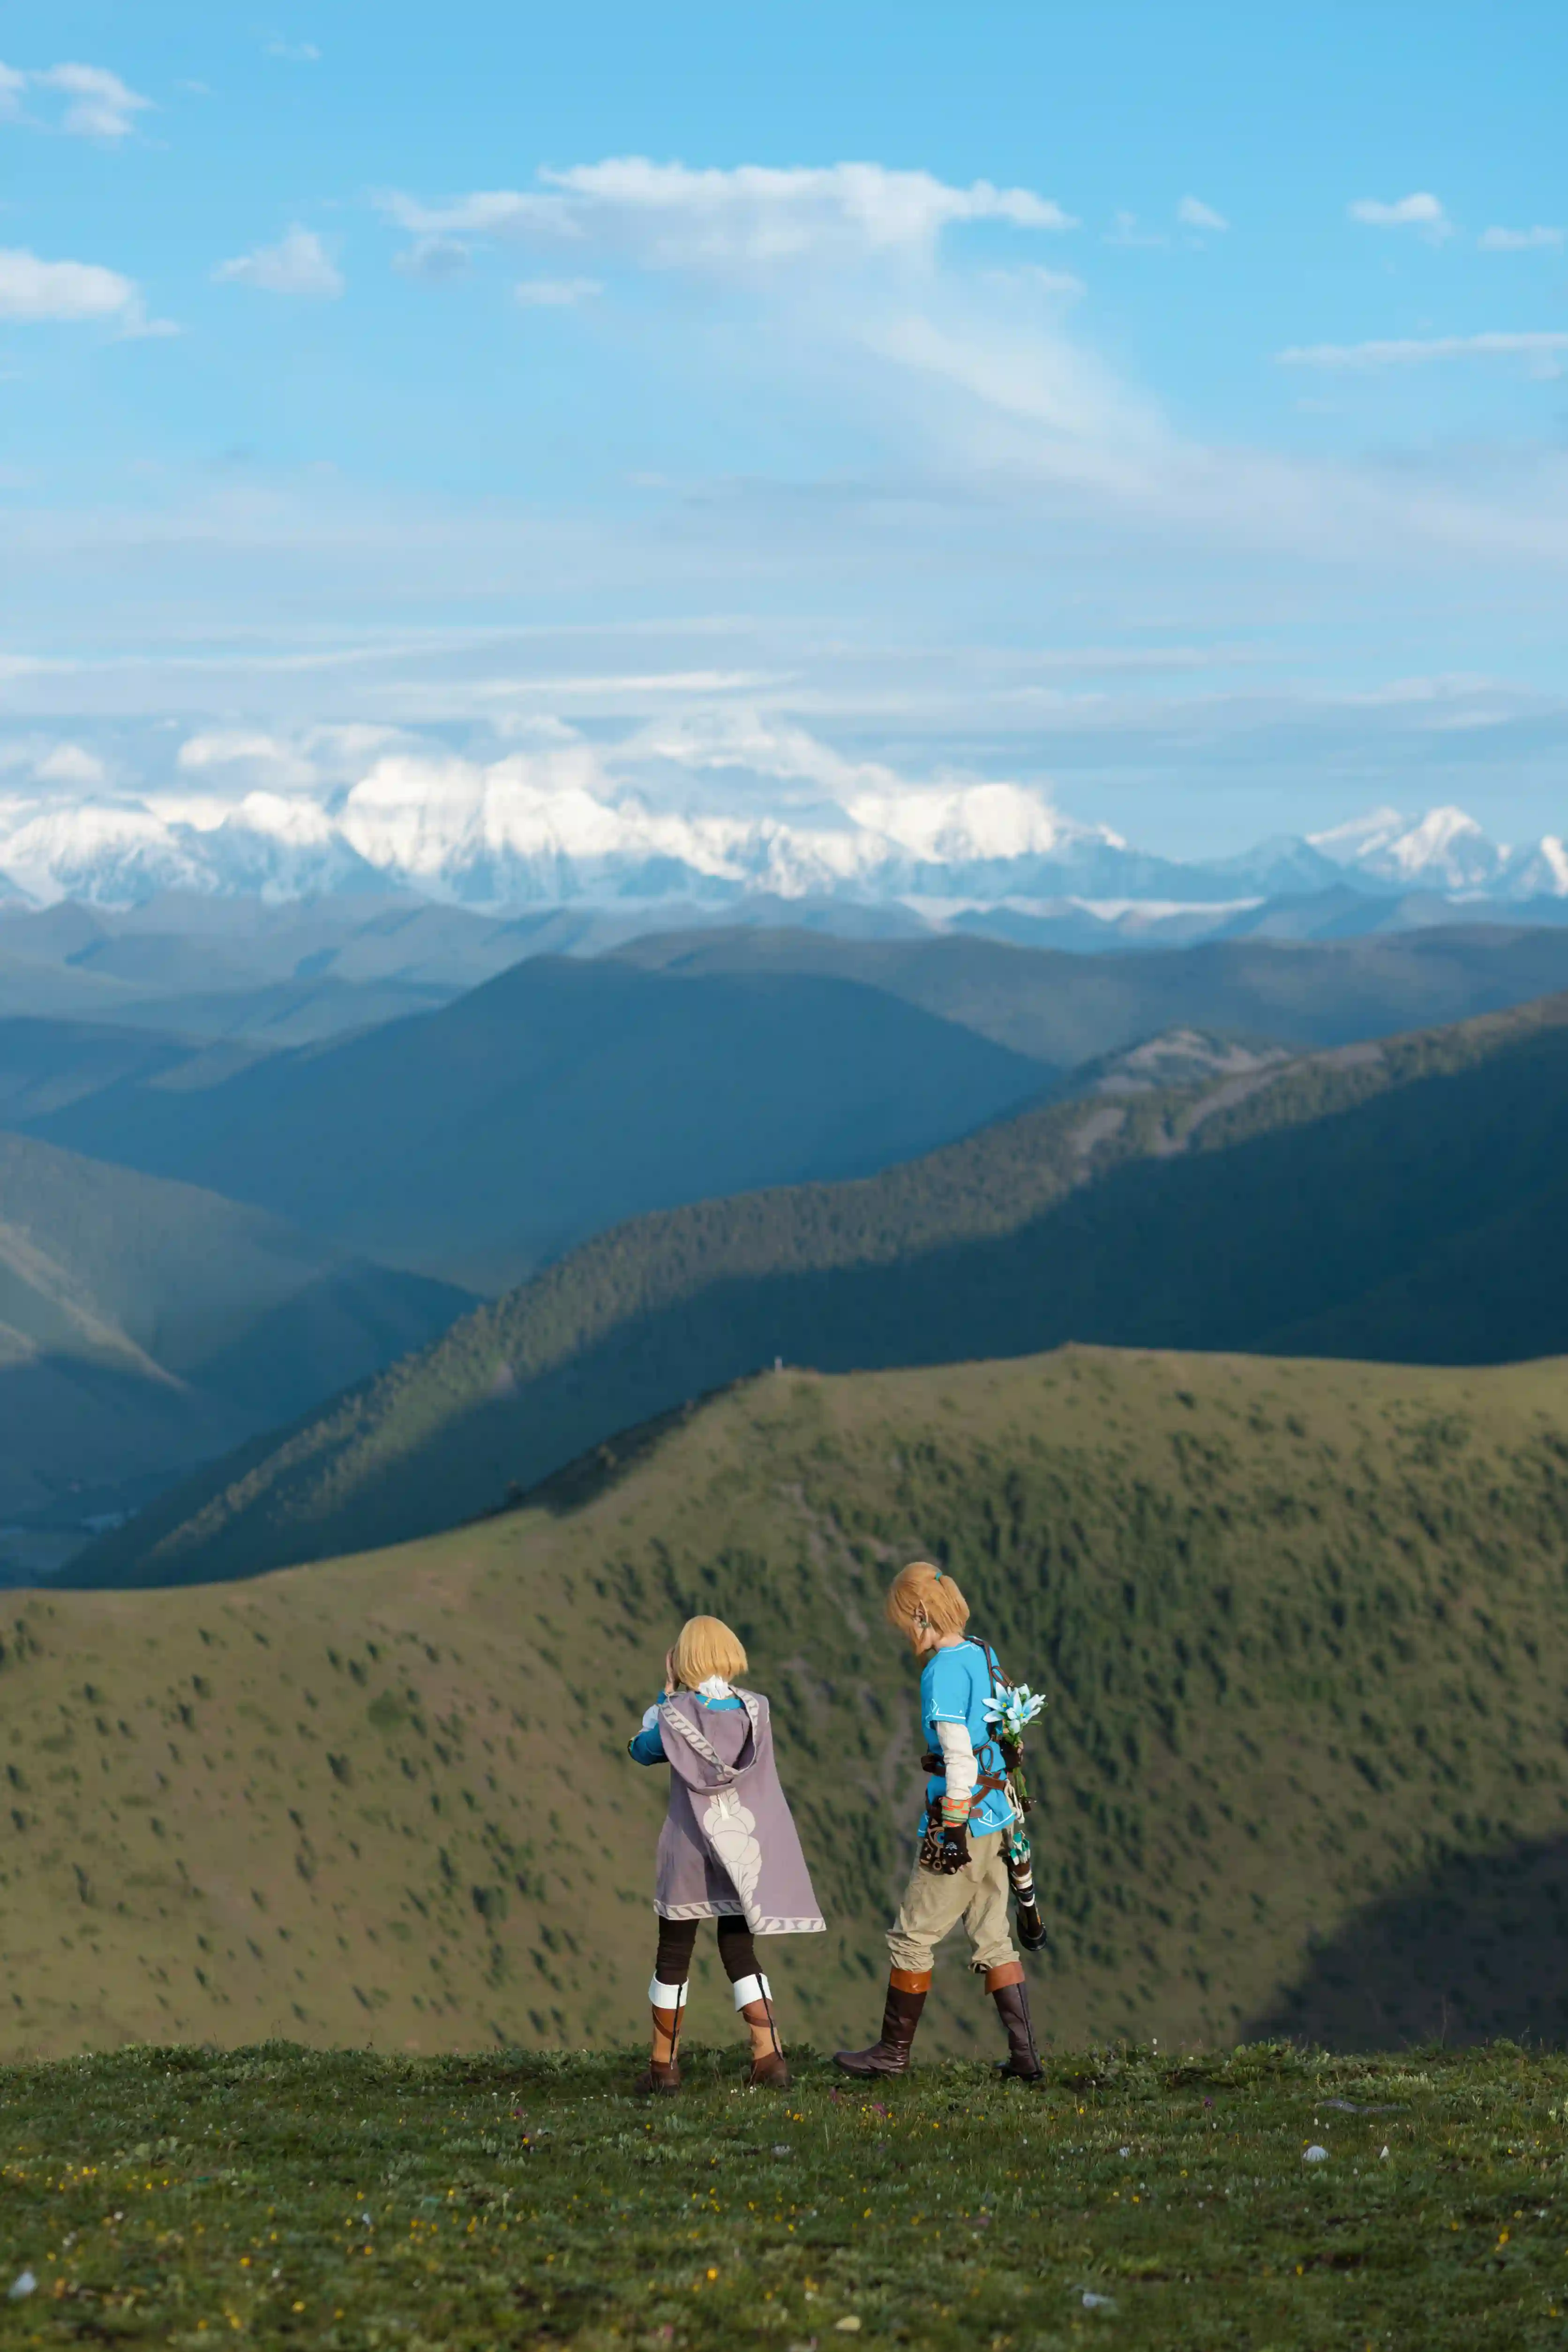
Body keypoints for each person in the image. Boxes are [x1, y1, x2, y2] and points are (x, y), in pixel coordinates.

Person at [835, 1560, 1042, 2083]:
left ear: (921, 1613)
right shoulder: (982, 1651)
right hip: (999, 1816)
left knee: (913, 1935)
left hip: (964, 1819)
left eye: (905, 1619)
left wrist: (950, 1831)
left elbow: (958, 1755)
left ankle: (892, 2053)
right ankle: (1025, 2058)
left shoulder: (942, 1671)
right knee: (994, 1936)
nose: (903, 1629)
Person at [627, 1613, 824, 2095]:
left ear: (684, 1659)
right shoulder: (757, 1709)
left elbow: (642, 1749)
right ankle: (769, 2055)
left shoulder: (675, 1715)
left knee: (674, 1953)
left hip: (690, 1852)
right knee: (740, 1950)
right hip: (743, 1850)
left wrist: (665, 1695)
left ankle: (664, 2067)